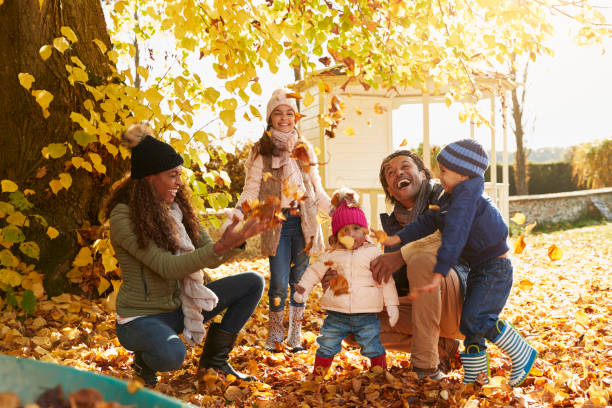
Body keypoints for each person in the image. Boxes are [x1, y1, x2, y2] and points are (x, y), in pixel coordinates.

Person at [105, 123, 272, 386]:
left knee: (253, 282)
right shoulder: (123, 216)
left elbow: (209, 255)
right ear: (150, 177)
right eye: (173, 176)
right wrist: (219, 247)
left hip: (179, 306)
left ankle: (214, 362)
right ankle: (143, 360)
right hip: (140, 318)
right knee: (172, 355)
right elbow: (167, 267)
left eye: (179, 175)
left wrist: (234, 240)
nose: (179, 183)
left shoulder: (178, 210)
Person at [383, 139, 537, 386]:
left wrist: (438, 271)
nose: (440, 176)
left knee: (477, 319)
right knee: (471, 327)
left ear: (464, 174)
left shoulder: (465, 201)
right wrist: (397, 238)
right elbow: (427, 222)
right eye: (390, 173)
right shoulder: (450, 196)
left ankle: (521, 351)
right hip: (481, 268)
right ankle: (476, 378)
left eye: (443, 171)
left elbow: (453, 238)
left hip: (493, 268)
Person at [324, 150, 466, 381]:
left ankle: (426, 369)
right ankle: (440, 346)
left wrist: (403, 255)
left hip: (461, 300)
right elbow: (394, 286)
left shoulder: (445, 196)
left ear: (422, 174)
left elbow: (455, 234)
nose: (398, 172)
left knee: (422, 262)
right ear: (391, 190)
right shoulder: (393, 227)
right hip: (425, 310)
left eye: (405, 166)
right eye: (390, 173)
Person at [233, 88, 332, 352]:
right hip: (278, 224)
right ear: (270, 119)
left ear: (296, 117)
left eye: (290, 113)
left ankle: (294, 336)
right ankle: (274, 336)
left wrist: (337, 211)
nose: (285, 118)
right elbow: (251, 189)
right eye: (278, 113)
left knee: (299, 281)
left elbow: (316, 189)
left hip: (305, 222)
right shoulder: (262, 152)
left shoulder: (304, 150)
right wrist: (238, 213)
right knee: (278, 281)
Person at [293, 189, 399, 376]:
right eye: (345, 230)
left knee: (372, 343)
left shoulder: (373, 253)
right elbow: (314, 271)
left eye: (356, 229)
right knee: (327, 342)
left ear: (365, 231)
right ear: (337, 235)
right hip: (337, 313)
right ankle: (318, 374)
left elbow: (386, 280)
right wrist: (303, 289)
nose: (351, 234)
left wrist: (392, 305)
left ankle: (380, 373)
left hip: (366, 313)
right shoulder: (332, 253)